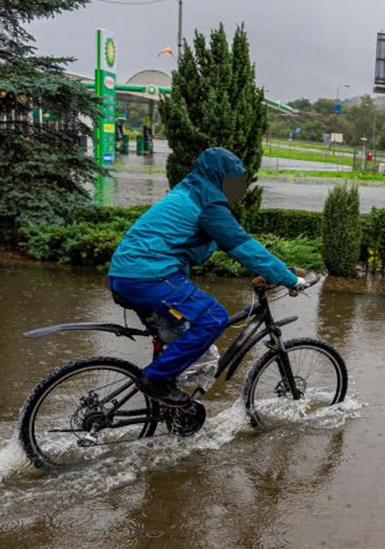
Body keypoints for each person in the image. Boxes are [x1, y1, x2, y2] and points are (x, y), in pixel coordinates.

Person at [107, 147, 300, 407]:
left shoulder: (188, 192)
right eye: (232, 182)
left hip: (126, 275)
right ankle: (154, 380)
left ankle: (170, 403)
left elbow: (221, 245)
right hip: (148, 277)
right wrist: (290, 279)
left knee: (183, 334)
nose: (236, 189)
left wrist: (270, 268)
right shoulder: (208, 204)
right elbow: (242, 246)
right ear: (219, 177)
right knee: (213, 317)